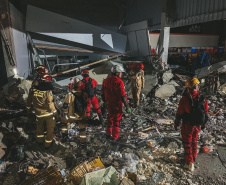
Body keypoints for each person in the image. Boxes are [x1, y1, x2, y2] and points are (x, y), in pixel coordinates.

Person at [174, 77, 208, 171]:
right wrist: (203, 124)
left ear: (188, 87)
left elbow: (180, 112)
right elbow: (206, 112)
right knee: (194, 141)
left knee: (187, 143)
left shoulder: (185, 99)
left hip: (187, 125)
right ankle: (194, 158)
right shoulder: (202, 98)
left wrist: (176, 123)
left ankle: (189, 162)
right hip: (197, 125)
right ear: (196, 86)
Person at [27, 73, 57, 148]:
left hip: (38, 114)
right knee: (50, 130)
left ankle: (39, 142)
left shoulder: (33, 90)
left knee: (39, 129)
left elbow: (28, 101)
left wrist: (28, 109)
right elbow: (50, 103)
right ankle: (47, 145)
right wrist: (55, 111)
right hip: (48, 114)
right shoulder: (48, 92)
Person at [102, 65, 131, 141]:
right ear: (117, 73)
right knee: (116, 121)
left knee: (110, 118)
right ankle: (114, 137)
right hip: (117, 104)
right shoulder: (119, 82)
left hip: (109, 103)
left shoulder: (105, 80)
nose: (121, 74)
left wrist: (105, 102)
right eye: (121, 73)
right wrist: (127, 106)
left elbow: (103, 93)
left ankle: (108, 134)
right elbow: (123, 95)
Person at [62, 78, 89, 144]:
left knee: (63, 122)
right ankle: (83, 143)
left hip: (72, 116)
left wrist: (65, 114)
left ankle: (64, 136)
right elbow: (86, 105)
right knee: (82, 129)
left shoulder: (69, 95)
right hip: (82, 116)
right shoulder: (84, 94)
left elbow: (65, 106)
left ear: (72, 85)